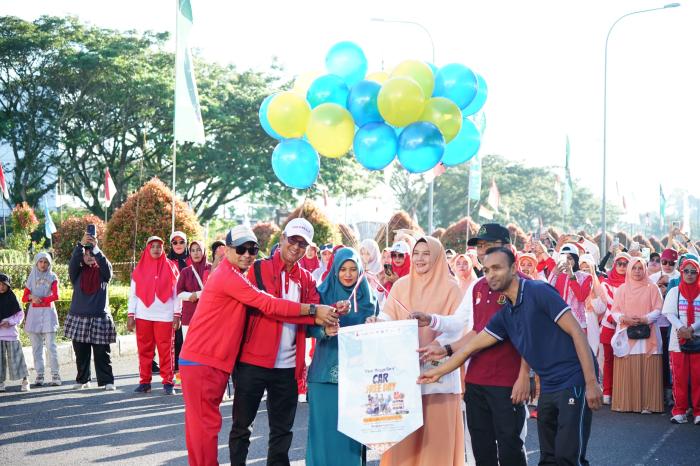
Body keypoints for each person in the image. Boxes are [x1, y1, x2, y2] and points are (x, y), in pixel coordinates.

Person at [419, 246, 603, 466]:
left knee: (568, 455)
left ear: (514, 268)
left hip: (574, 378)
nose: (490, 275)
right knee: (548, 458)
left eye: (497, 268)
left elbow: (576, 332)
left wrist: (591, 382)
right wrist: (436, 372)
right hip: (549, 385)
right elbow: (470, 348)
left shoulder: (539, 291)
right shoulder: (505, 315)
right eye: (486, 270)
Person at [179, 225, 338, 466]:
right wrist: (315, 311)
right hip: (210, 360)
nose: (246, 254)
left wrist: (322, 319)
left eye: (252, 249)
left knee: (207, 427)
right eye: (240, 249)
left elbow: (290, 311)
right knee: (211, 428)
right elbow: (270, 305)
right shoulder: (235, 274)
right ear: (228, 249)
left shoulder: (249, 275)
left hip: (219, 361)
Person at [417, 224, 531, 466]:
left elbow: (530, 336)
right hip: (476, 380)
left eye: (489, 245)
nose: (482, 251)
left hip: (508, 382)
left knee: (510, 448)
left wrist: (525, 375)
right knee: (482, 449)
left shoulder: (525, 285)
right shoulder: (478, 286)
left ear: (508, 249)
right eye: (479, 246)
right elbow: (467, 326)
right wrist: (433, 322)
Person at [229, 218, 323, 466]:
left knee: (282, 432)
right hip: (252, 362)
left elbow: (316, 317)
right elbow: (270, 308)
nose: (296, 246)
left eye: (303, 243)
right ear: (282, 238)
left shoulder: (307, 279)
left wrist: (333, 313)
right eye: (293, 239)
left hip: (288, 367)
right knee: (241, 427)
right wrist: (313, 311)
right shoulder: (256, 269)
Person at [375, 237, 466, 466]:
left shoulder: (452, 288)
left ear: (437, 257)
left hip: (439, 377)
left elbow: (459, 326)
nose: (420, 258)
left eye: (426, 253)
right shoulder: (400, 285)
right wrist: (374, 322)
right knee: (403, 445)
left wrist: (436, 346)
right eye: (416, 253)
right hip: (404, 378)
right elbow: (387, 317)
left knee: (435, 445)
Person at [306, 247, 377, 466]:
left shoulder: (368, 299)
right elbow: (306, 328)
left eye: (353, 269)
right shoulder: (322, 294)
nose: (348, 274)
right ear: (335, 270)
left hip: (357, 377)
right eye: (343, 269)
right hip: (324, 376)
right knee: (322, 436)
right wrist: (324, 330)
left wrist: (374, 326)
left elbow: (380, 337)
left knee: (351, 440)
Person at [609, 257, 664, 414]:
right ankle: (625, 404)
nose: (637, 271)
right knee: (627, 367)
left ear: (645, 269)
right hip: (627, 332)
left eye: (640, 268)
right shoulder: (622, 289)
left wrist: (645, 319)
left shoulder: (652, 288)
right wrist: (624, 319)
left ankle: (649, 405)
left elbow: (658, 309)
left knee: (649, 367)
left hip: (648, 333)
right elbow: (615, 311)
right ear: (629, 269)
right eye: (634, 268)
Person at [127, 236, 180, 395]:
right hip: (143, 315)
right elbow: (133, 295)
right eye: (153, 246)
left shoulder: (171, 267)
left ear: (163, 249)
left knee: (166, 351)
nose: (156, 249)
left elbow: (177, 294)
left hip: (165, 316)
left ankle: (168, 382)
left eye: (159, 246)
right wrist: (131, 315)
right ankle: (145, 382)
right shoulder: (139, 269)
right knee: (144, 350)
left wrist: (177, 314)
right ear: (148, 249)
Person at [64, 233, 117, 390]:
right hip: (79, 318)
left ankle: (107, 381)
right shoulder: (77, 272)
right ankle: (83, 380)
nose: (89, 256)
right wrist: (80, 245)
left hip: (99, 318)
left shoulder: (104, 273)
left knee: (102, 353)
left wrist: (96, 249)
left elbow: (106, 265)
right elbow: (73, 261)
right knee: (81, 353)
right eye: (86, 254)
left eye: (91, 253)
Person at [662, 257, 700, 424]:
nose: (690, 275)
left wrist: (691, 329)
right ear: (682, 272)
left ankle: (698, 412)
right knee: (679, 378)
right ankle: (680, 410)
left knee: (698, 377)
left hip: (697, 338)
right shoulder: (674, 291)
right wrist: (682, 329)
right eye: (686, 271)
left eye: (694, 272)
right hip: (678, 341)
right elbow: (669, 313)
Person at [23, 252, 61, 387]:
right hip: (34, 315)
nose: (43, 264)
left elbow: (56, 295)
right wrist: (32, 297)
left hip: (48, 314)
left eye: (46, 262)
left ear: (49, 263)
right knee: (36, 347)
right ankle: (40, 374)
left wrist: (43, 299)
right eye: (41, 261)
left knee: (51, 346)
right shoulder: (31, 276)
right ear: (36, 262)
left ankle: (56, 375)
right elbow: (24, 297)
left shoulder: (52, 276)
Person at [599, 252, 630, 404]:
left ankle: (621, 390)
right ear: (615, 265)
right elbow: (611, 302)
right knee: (609, 359)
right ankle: (607, 391)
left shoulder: (633, 283)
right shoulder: (606, 283)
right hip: (610, 324)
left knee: (624, 358)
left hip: (626, 325)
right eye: (620, 263)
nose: (622, 267)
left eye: (625, 264)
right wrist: (619, 316)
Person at [548, 243, 593, 332]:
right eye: (564, 257)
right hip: (559, 321)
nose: (567, 261)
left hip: (578, 323)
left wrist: (571, 276)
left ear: (576, 260)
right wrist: (554, 274)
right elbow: (547, 292)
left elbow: (581, 297)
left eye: (570, 258)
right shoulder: (557, 275)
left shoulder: (586, 277)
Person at [0, 273, 30, 392]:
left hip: (12, 334)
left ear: (8, 285)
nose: (1, 287)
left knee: (17, 359)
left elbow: (20, 315)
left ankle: (25, 380)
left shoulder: (13, 297)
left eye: (4, 284)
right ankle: (1, 383)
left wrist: (11, 322)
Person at [168, 231, 190, 390]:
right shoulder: (167, 262)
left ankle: (192, 374)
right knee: (176, 342)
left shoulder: (194, 258)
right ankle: (178, 376)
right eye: (174, 242)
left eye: (181, 241)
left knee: (192, 343)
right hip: (173, 307)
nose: (178, 245)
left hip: (191, 306)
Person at [176, 240, 211, 340]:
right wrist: (190, 296)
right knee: (188, 349)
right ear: (190, 253)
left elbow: (215, 290)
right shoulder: (185, 272)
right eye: (193, 250)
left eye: (199, 250)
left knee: (206, 349)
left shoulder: (211, 268)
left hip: (208, 317)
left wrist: (197, 294)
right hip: (189, 316)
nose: (196, 253)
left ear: (204, 251)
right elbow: (179, 292)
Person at [359, 238, 387, 308]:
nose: (364, 256)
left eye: (368, 253)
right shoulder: (359, 269)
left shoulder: (381, 270)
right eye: (362, 253)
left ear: (374, 252)